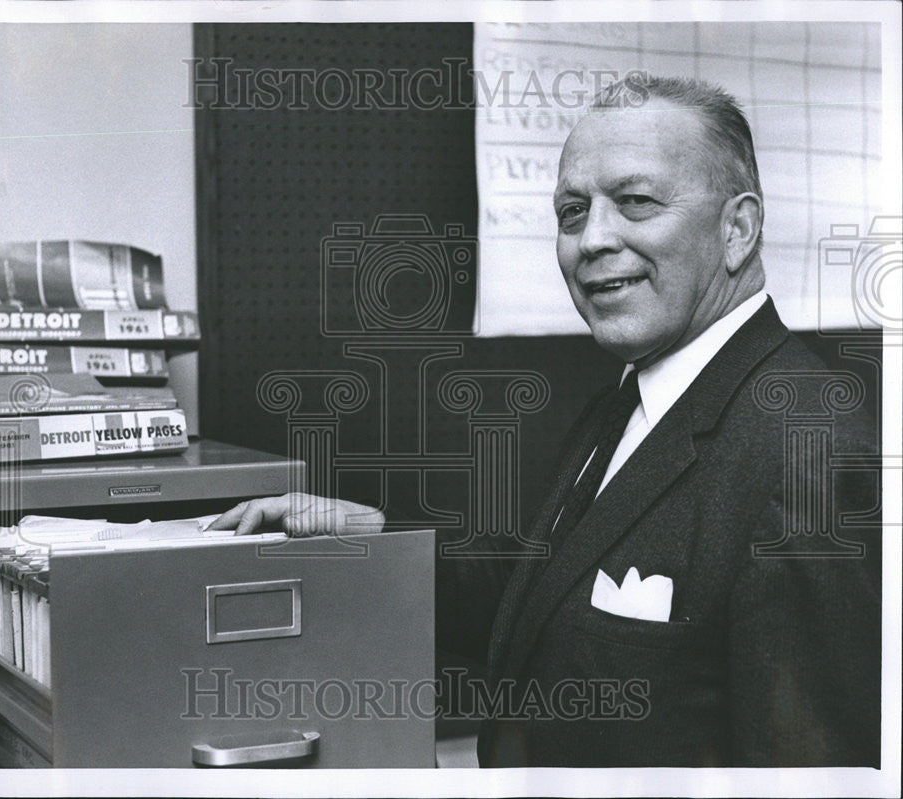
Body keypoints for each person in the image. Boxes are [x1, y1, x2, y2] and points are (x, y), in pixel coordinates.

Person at [209, 75, 880, 767]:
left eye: (636, 202)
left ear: (737, 229)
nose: (591, 239)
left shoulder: (813, 454)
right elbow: (549, 592)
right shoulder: (629, 397)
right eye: (571, 211)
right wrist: (377, 540)